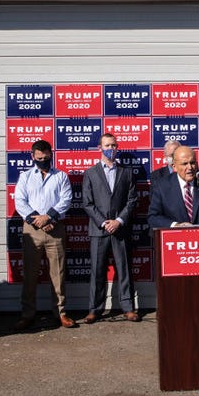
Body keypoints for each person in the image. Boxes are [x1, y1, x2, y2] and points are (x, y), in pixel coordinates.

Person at [13, 139, 75, 331]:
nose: (43, 161)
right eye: (39, 158)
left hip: (55, 229)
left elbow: (66, 200)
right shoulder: (25, 177)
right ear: (33, 157)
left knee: (58, 273)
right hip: (32, 231)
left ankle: (61, 313)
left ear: (51, 155)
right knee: (30, 275)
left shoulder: (61, 176)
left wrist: (48, 217)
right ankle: (28, 314)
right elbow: (20, 202)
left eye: (46, 158)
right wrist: (37, 220)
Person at [82, 134, 140, 323]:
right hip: (99, 230)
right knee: (97, 270)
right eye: (107, 145)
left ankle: (128, 307)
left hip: (120, 229)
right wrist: (104, 222)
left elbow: (132, 201)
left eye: (114, 145)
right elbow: (87, 203)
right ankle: (94, 309)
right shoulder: (90, 173)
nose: (111, 148)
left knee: (124, 269)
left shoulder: (127, 172)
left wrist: (119, 221)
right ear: (100, 147)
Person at [147, 146, 199, 230]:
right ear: (174, 166)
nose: (190, 167)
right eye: (184, 164)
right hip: (176, 239)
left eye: (192, 163)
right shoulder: (162, 186)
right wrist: (176, 225)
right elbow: (153, 217)